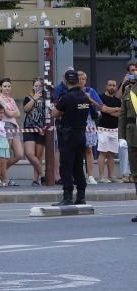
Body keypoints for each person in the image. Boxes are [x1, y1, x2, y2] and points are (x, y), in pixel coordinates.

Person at [53, 69, 93, 205]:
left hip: (68, 135)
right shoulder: (84, 97)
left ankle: (68, 196)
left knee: (65, 167)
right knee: (78, 166)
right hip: (81, 134)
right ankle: (81, 196)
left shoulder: (66, 97)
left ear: (65, 81)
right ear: (77, 80)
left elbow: (54, 113)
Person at [96, 79, 122, 183]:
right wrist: (114, 109)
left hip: (114, 129)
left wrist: (108, 110)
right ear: (106, 86)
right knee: (103, 152)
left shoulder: (117, 100)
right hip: (103, 129)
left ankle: (112, 176)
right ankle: (102, 177)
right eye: (110, 85)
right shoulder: (101, 97)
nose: (112, 87)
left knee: (112, 153)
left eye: (114, 85)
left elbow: (119, 114)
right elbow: (103, 109)